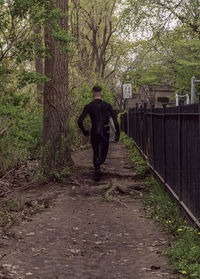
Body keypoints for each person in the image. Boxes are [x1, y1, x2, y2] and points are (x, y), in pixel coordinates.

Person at [78, 86, 120, 180]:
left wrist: (85, 132)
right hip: (105, 132)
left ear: (93, 93)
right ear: (101, 93)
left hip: (94, 132)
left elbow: (79, 121)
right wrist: (117, 134)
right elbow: (115, 120)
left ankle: (97, 171)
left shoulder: (88, 106)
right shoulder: (107, 105)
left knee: (95, 153)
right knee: (103, 155)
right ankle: (98, 165)